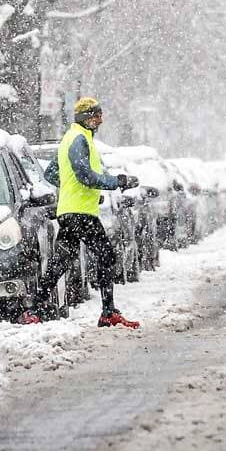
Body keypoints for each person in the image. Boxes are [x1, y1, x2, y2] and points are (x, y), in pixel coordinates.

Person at [25, 97, 140, 328]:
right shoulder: (79, 139)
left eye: (100, 115)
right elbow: (85, 174)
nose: (100, 120)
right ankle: (108, 313)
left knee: (60, 262)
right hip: (80, 213)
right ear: (86, 118)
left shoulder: (71, 138)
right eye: (96, 115)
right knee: (106, 256)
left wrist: (74, 190)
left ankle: (34, 309)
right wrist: (117, 181)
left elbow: (52, 173)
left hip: (70, 210)